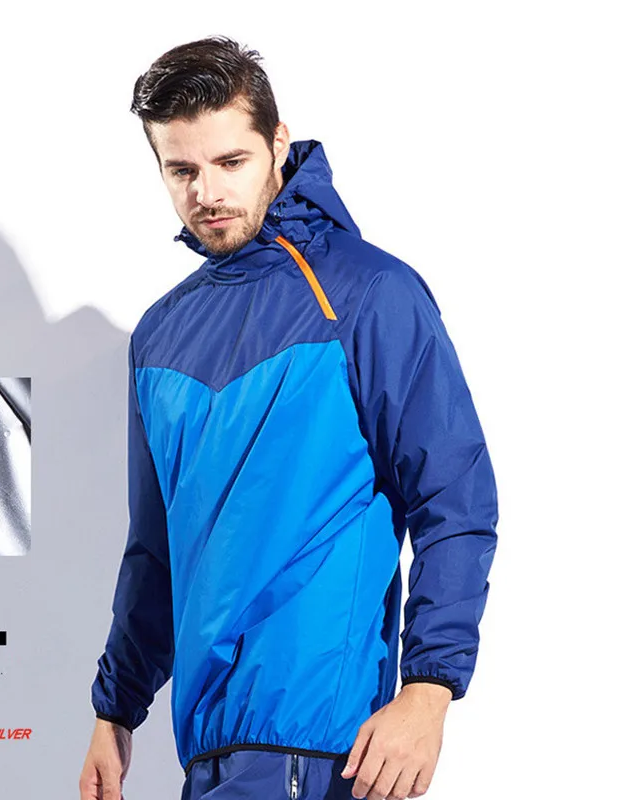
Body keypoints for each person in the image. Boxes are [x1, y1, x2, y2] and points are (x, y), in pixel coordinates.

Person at [79, 36, 498, 800]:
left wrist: (429, 688)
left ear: (277, 144)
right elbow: (156, 552)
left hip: (325, 750)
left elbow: (455, 498)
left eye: (230, 162)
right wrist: (116, 709)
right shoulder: (160, 335)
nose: (207, 191)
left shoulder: (368, 294)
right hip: (206, 755)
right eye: (182, 170)